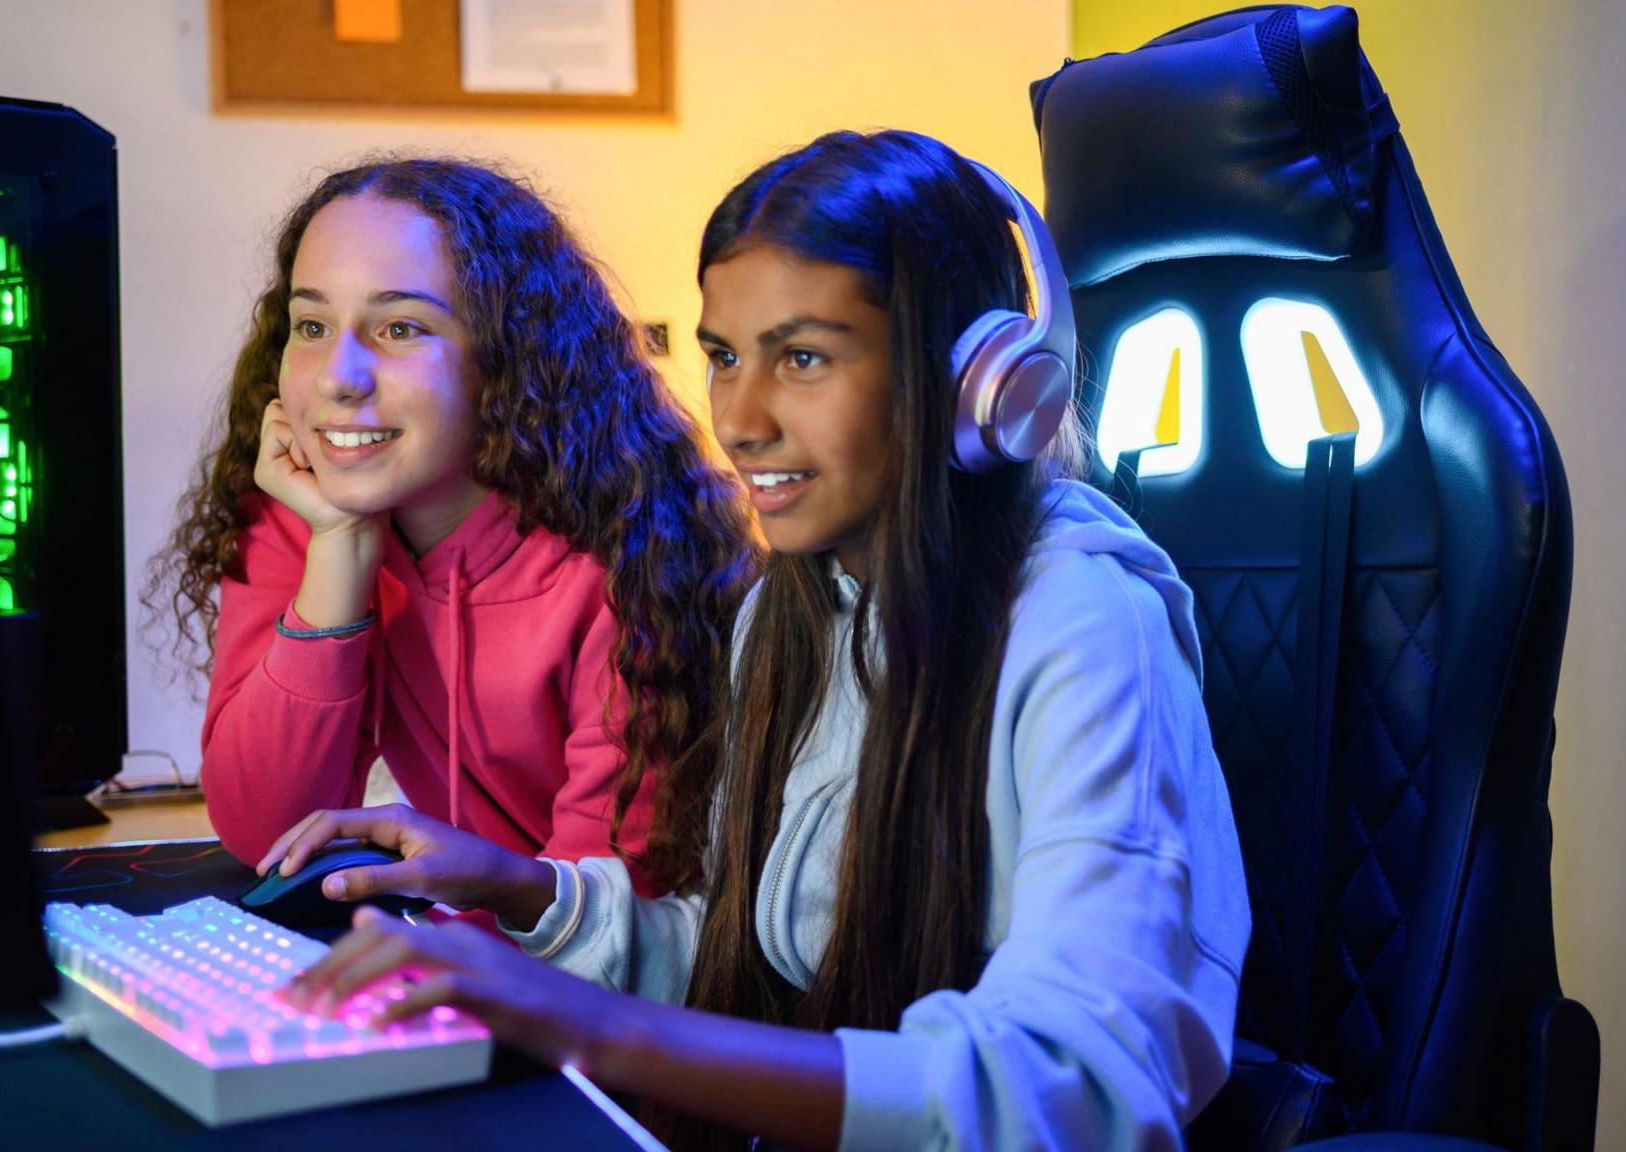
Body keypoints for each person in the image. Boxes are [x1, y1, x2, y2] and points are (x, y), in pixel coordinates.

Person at [266, 131, 1249, 1150]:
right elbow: (753, 953)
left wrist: (587, 1022)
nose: (736, 418)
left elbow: (1074, 1084)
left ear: (976, 382)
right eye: (725, 358)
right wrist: (516, 889)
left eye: (802, 358)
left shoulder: (1083, 623)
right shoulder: (795, 609)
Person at [149, 158, 757, 896]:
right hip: (465, 962)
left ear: (505, 356)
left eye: (400, 327)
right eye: (311, 324)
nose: (340, 376)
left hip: (614, 988)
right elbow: (264, 833)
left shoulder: (633, 558)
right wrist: (338, 551)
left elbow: (613, 916)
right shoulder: (306, 517)